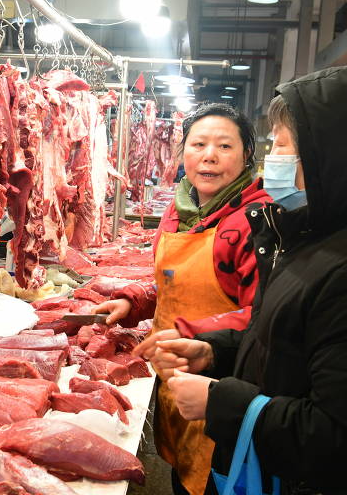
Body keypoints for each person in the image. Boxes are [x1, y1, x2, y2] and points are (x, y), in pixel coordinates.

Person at [146, 66, 347, 494]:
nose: (274, 162)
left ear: (332, 160)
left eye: (283, 147)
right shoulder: (313, 239)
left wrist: (223, 402)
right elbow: (284, 339)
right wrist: (215, 351)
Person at [94, 103, 271, 495]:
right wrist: (135, 302)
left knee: (214, 481)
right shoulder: (179, 210)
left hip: (224, 384)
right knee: (180, 475)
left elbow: (265, 317)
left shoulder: (255, 220)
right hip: (173, 375)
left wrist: (191, 334)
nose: (209, 156)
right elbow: (172, 283)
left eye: (225, 146)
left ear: (246, 158)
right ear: (183, 152)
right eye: (199, 144)